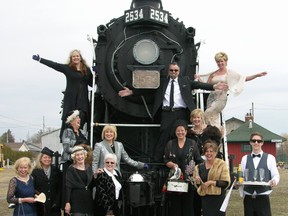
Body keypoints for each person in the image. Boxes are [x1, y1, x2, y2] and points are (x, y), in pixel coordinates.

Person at [119, 62, 228, 162]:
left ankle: (185, 160)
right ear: (168, 71)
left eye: (175, 70)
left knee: (182, 135)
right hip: (167, 113)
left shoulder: (185, 81)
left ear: (178, 71)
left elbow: (198, 85)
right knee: (164, 136)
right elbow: (148, 90)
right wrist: (132, 92)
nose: (173, 72)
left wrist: (213, 86)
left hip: (181, 112)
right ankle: (156, 162)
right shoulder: (162, 82)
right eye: (171, 70)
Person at [195, 52, 267, 129]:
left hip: (221, 98)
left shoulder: (230, 73)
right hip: (211, 97)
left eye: (221, 61)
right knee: (214, 116)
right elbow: (207, 85)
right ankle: (215, 131)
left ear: (226, 62)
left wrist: (257, 75)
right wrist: (199, 78)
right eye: (218, 61)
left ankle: (216, 131)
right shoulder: (213, 74)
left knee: (207, 113)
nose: (220, 63)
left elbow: (244, 78)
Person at [32, 50, 93, 141]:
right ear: (71, 58)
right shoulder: (68, 68)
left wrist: (97, 73)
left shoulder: (86, 69)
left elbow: (92, 83)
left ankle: (80, 137)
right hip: (71, 99)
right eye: (74, 56)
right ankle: (67, 138)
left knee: (82, 117)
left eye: (77, 56)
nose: (76, 58)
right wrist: (41, 59)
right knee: (69, 119)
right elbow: (54, 65)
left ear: (80, 57)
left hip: (82, 100)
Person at [163, 120, 203, 216]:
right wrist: (172, 164)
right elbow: (166, 160)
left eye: (182, 130)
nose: (180, 132)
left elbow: (198, 160)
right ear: (175, 132)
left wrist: (197, 173)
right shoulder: (170, 144)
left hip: (189, 180)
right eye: (178, 131)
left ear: (186, 131)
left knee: (188, 207)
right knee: (175, 207)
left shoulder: (192, 144)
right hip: (174, 180)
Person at [239, 132, 280, 216]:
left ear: (262, 142)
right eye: (254, 141)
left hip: (263, 198)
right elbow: (241, 176)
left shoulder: (270, 158)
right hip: (248, 198)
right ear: (250, 142)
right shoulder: (244, 158)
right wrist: (238, 182)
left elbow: (275, 175)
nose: (256, 143)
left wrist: (274, 181)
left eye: (258, 141)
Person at [60, 109, 91, 212]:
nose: (79, 119)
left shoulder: (81, 132)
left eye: (79, 118)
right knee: (68, 188)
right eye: (77, 118)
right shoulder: (68, 131)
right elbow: (66, 148)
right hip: (69, 164)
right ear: (71, 120)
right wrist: (79, 151)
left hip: (80, 164)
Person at [193, 140, 230, 216]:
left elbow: (225, 182)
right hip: (205, 198)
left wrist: (211, 182)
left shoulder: (222, 164)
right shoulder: (198, 167)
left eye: (211, 151)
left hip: (218, 199)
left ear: (216, 153)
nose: (209, 153)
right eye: (207, 151)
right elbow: (197, 185)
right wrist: (197, 181)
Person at [64, 145, 95, 216]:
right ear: (74, 157)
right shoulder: (71, 169)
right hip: (76, 202)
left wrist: (96, 175)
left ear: (84, 155)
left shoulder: (89, 167)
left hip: (88, 201)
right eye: (77, 155)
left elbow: (92, 184)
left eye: (81, 154)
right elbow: (68, 187)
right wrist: (67, 202)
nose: (80, 157)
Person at [31, 147, 62, 216]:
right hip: (41, 205)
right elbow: (33, 187)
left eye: (49, 157)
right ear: (41, 159)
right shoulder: (35, 172)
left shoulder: (56, 171)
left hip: (54, 205)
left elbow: (60, 187)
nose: (47, 159)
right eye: (45, 157)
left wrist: (57, 202)